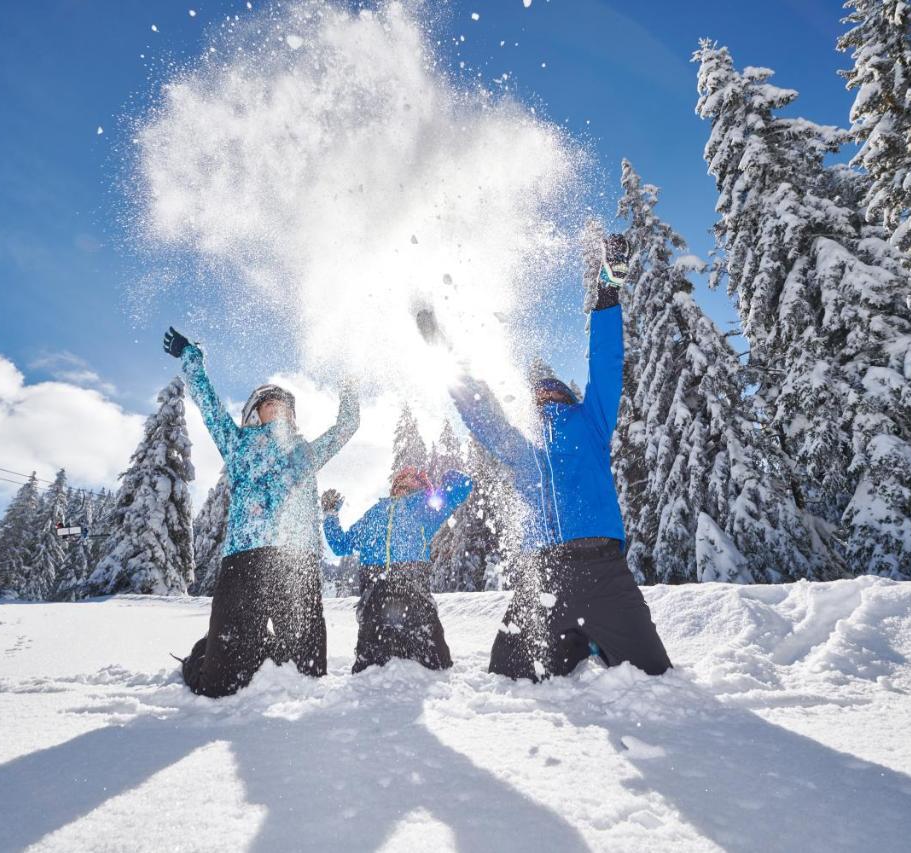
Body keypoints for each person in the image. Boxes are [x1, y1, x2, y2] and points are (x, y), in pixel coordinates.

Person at [441, 235, 672, 680]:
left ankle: (588, 643)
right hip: (544, 577)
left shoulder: (592, 422)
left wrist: (607, 292)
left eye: (552, 387)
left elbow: (606, 365)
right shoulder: (524, 448)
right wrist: (444, 352)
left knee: (656, 678)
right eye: (537, 392)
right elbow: (482, 414)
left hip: (605, 572)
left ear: (567, 394)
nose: (544, 393)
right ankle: (575, 647)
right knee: (504, 680)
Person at [164, 326, 360, 697]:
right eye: (271, 402)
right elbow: (208, 405)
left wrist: (350, 383)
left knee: (308, 674)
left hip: (296, 562)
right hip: (245, 559)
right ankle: (209, 651)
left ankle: (257, 646)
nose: (280, 406)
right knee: (218, 685)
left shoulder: (306, 452)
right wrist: (191, 358)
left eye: (286, 403)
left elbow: (346, 427)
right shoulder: (237, 444)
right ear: (255, 412)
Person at [322, 466, 472, 672]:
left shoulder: (425, 507)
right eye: (401, 480)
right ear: (393, 486)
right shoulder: (375, 513)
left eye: (413, 480)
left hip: (411, 583)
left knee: (434, 658)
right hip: (375, 588)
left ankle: (430, 671)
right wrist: (330, 515)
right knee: (369, 663)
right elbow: (340, 545)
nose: (405, 483)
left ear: (422, 487)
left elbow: (463, 486)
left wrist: (448, 477)